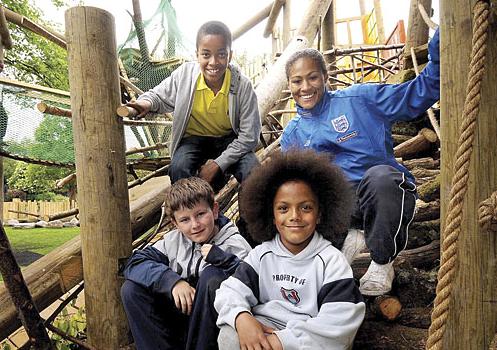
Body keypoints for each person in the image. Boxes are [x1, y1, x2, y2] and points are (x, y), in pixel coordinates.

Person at [280, 29, 440, 296]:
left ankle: (381, 261)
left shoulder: (360, 100)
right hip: (336, 208)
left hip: (380, 194)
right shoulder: (292, 134)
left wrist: (440, 42)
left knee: (382, 177)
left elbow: (417, 94)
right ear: (289, 85)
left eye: (312, 78)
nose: (305, 87)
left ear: (325, 77)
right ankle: (351, 235)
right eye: (297, 81)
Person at [214, 150, 366, 350]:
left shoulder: (331, 261)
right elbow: (229, 291)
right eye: (283, 208)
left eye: (306, 208)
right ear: (272, 215)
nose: (294, 216)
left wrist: (281, 342)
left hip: (306, 338)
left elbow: (340, 320)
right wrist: (241, 318)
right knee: (228, 336)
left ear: (320, 214)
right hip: (263, 329)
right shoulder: (262, 255)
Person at [127, 20, 261, 190]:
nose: (213, 62)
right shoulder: (185, 76)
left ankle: (249, 217)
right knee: (178, 168)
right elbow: (158, 96)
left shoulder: (242, 85)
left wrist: (218, 164)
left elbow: (249, 137)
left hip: (229, 140)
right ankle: (191, 214)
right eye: (206, 55)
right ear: (197, 54)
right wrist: (146, 103)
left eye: (221, 54)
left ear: (230, 55)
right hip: (193, 140)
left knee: (253, 172)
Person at [120, 177, 252, 350]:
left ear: (214, 210)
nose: (195, 225)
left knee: (212, 276)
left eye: (200, 214)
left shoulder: (234, 243)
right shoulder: (173, 242)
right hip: (182, 320)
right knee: (131, 289)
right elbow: (134, 263)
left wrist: (224, 260)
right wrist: (172, 282)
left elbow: (252, 282)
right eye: (185, 220)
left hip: (214, 327)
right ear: (175, 223)